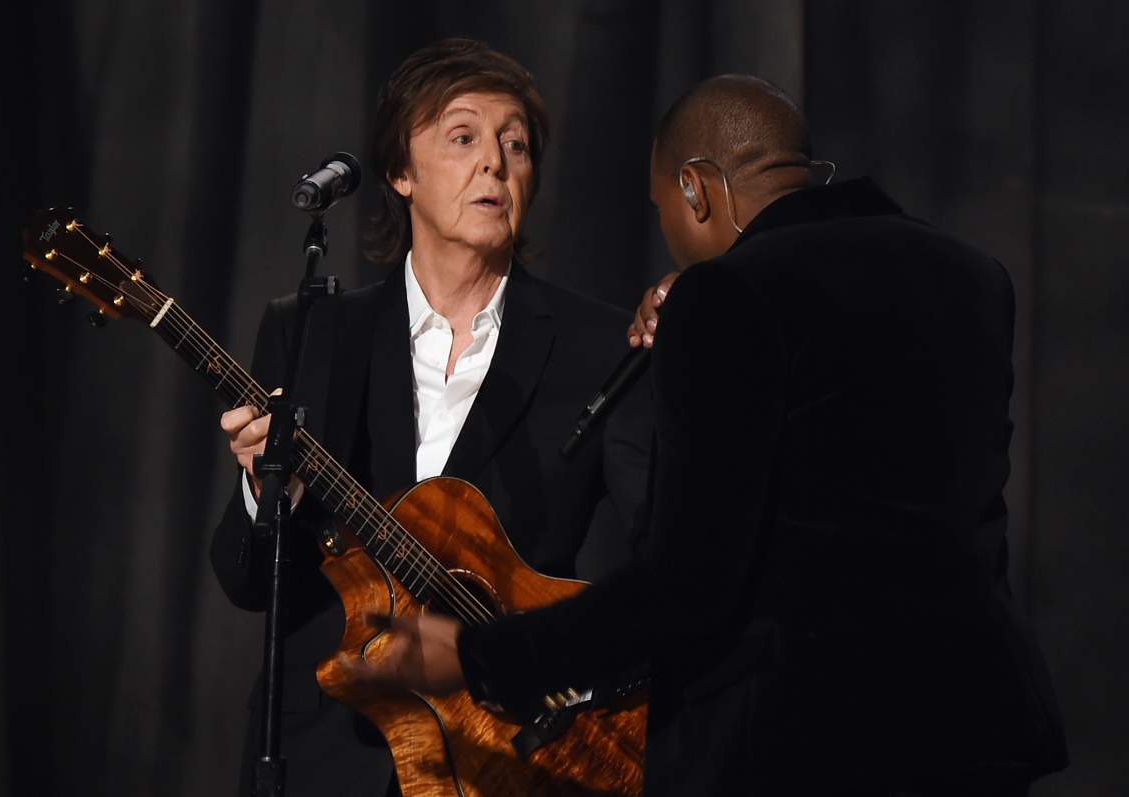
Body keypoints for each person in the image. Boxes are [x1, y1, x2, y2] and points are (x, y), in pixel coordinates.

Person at [361, 75, 1069, 795]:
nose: (670, 231)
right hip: (978, 723)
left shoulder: (728, 295)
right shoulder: (974, 276)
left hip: (810, 742)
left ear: (697, 190)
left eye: (664, 208)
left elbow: (688, 582)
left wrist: (482, 656)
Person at [208, 39, 652, 797]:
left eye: (516, 144)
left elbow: (666, 561)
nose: (495, 163)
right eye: (463, 136)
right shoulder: (312, 332)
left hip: (511, 758)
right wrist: (263, 493)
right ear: (401, 173)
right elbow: (248, 580)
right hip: (328, 761)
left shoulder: (601, 348)